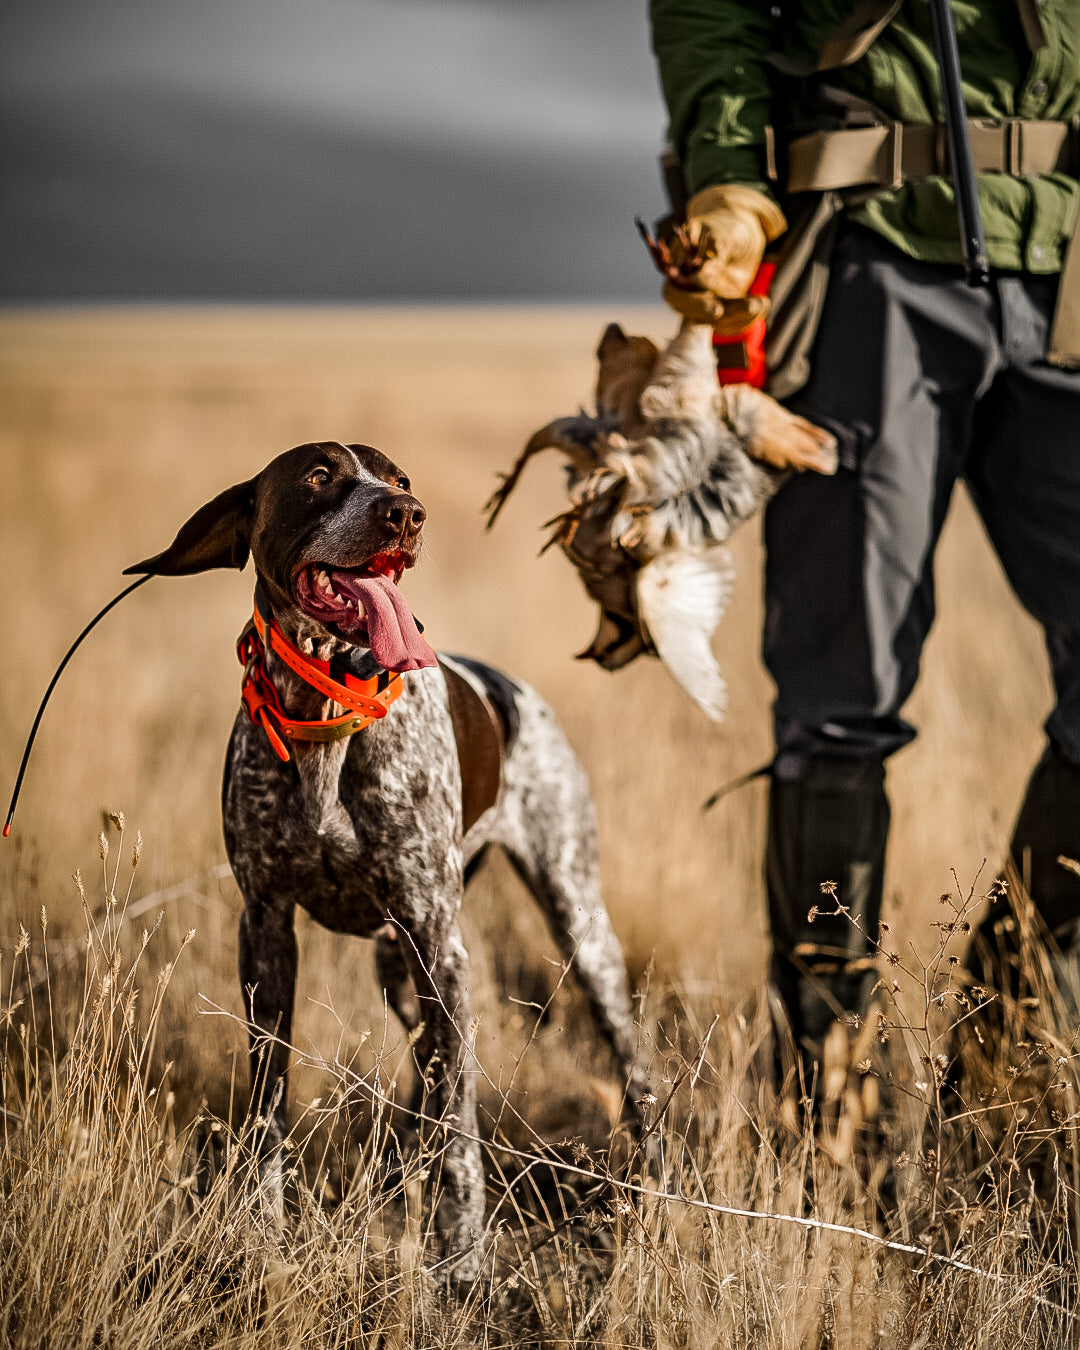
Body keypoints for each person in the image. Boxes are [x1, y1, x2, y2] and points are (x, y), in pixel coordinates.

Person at [647, 0, 1080, 1077]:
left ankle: (1008, 1022)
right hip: (866, 256)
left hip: (1070, 253)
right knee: (842, 697)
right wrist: (730, 184)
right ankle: (828, 1084)